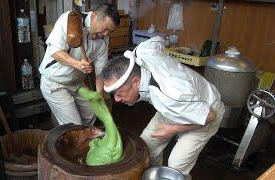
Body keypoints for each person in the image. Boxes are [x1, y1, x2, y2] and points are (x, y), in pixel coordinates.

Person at [101, 36, 225, 178]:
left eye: (119, 94)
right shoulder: (141, 52)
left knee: (176, 165)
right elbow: (158, 40)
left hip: (206, 111)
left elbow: (210, 116)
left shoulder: (171, 93)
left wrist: (175, 129)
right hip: (176, 107)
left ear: (136, 82)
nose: (116, 100)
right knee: (146, 145)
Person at [39, 3, 120, 126]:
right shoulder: (71, 19)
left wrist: (99, 95)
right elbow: (55, 52)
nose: (105, 34)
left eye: (110, 31)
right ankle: (71, 140)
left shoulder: (104, 39)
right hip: (55, 82)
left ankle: (84, 142)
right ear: (94, 16)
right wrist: (77, 64)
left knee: (91, 114)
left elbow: (100, 72)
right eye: (105, 28)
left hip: (77, 83)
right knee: (74, 125)